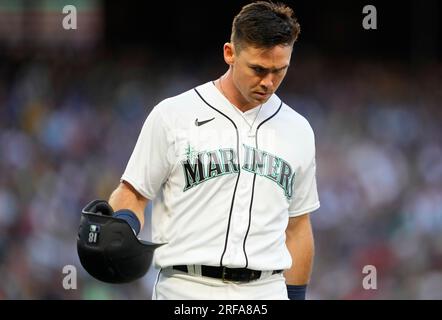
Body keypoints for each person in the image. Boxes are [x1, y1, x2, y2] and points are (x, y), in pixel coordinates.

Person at [105, 1, 320, 300]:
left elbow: (297, 226)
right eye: (258, 69)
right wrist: (122, 225)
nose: (268, 82)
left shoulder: (298, 129)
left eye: (279, 70)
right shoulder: (173, 115)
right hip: (187, 289)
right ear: (229, 53)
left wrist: (295, 296)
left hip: (265, 291)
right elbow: (134, 193)